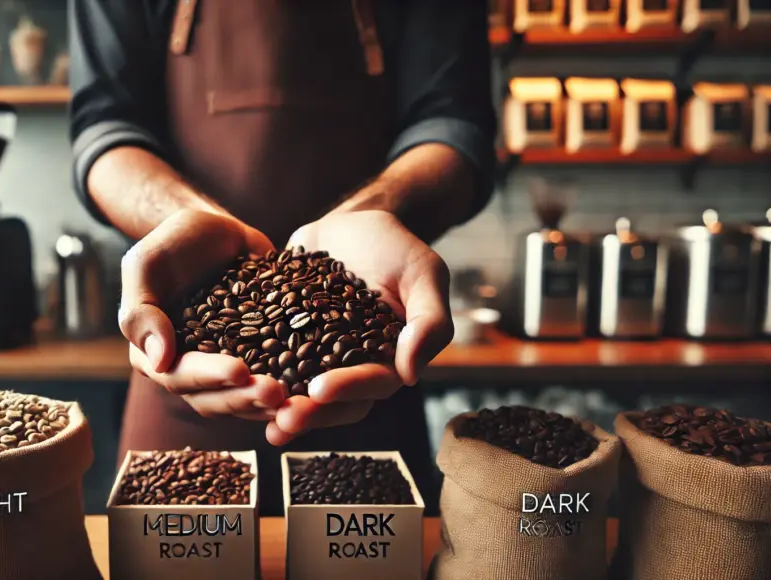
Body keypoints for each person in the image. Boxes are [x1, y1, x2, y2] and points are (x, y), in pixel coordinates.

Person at [69, 0, 496, 514]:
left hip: (364, 366)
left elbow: (454, 121)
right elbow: (104, 125)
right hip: (184, 358)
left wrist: (374, 209)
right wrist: (180, 220)